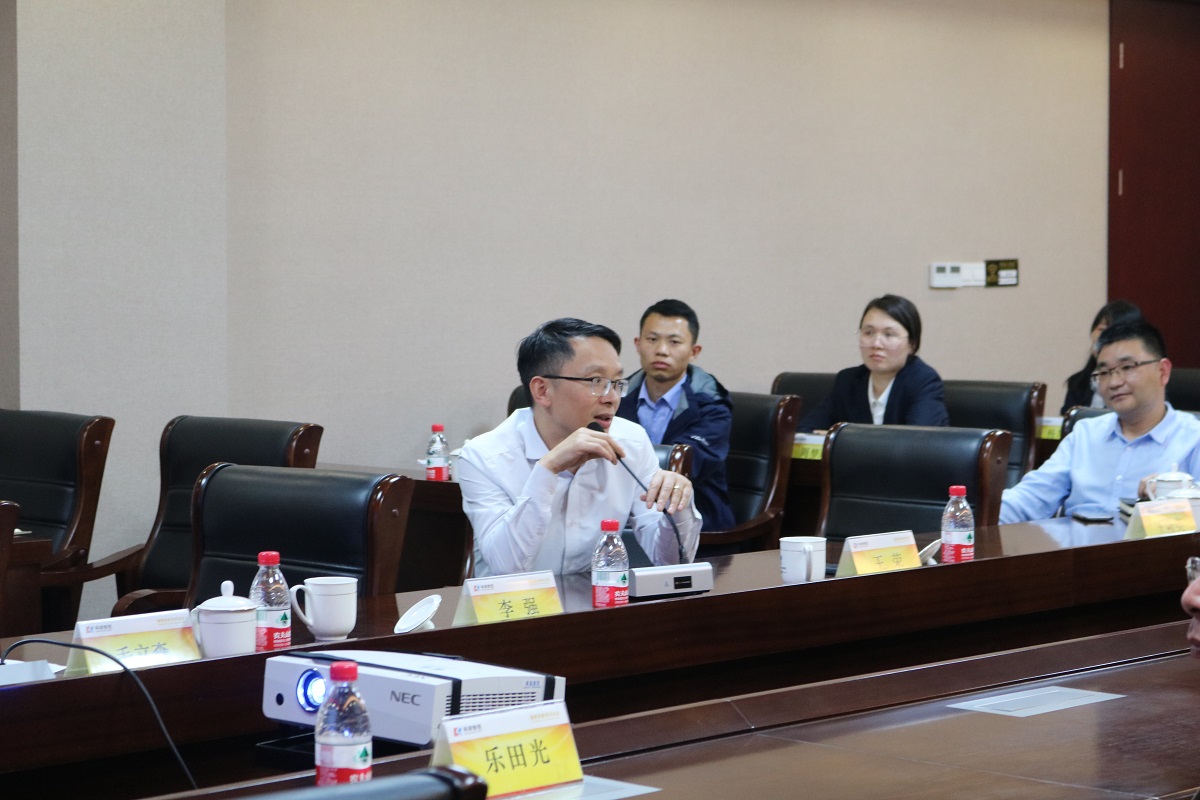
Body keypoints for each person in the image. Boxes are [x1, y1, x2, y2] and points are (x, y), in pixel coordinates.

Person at [458, 318, 702, 578]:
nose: (612, 398)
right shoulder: (484, 457)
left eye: (617, 383)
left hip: (593, 599)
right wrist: (547, 470)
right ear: (542, 390)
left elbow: (670, 561)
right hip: (512, 602)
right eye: (596, 381)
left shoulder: (631, 441)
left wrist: (677, 507)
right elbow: (505, 567)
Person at [1000, 320, 1200, 523]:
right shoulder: (1085, 434)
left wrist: (1182, 500)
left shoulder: (1194, 438)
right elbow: (1031, 498)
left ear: (1162, 371)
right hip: (1076, 542)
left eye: (1127, 367)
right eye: (1104, 373)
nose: (1114, 382)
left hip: (1152, 543)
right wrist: (982, 514)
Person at [616, 299, 736, 532]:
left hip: (697, 527)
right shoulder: (616, 397)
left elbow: (686, 464)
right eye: (652, 339)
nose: (661, 350)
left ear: (694, 352)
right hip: (625, 524)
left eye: (674, 342)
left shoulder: (711, 403)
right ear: (638, 344)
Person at [797, 294, 949, 432]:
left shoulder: (924, 381)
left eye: (889, 334)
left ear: (912, 344)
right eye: (868, 333)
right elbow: (805, 432)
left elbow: (917, 442)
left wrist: (838, 438)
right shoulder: (848, 380)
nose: (876, 344)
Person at [1061, 299, 1143, 415]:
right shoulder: (1077, 383)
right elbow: (1067, 422)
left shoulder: (1142, 383)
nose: (1105, 337)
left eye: (1114, 331)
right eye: (1102, 329)